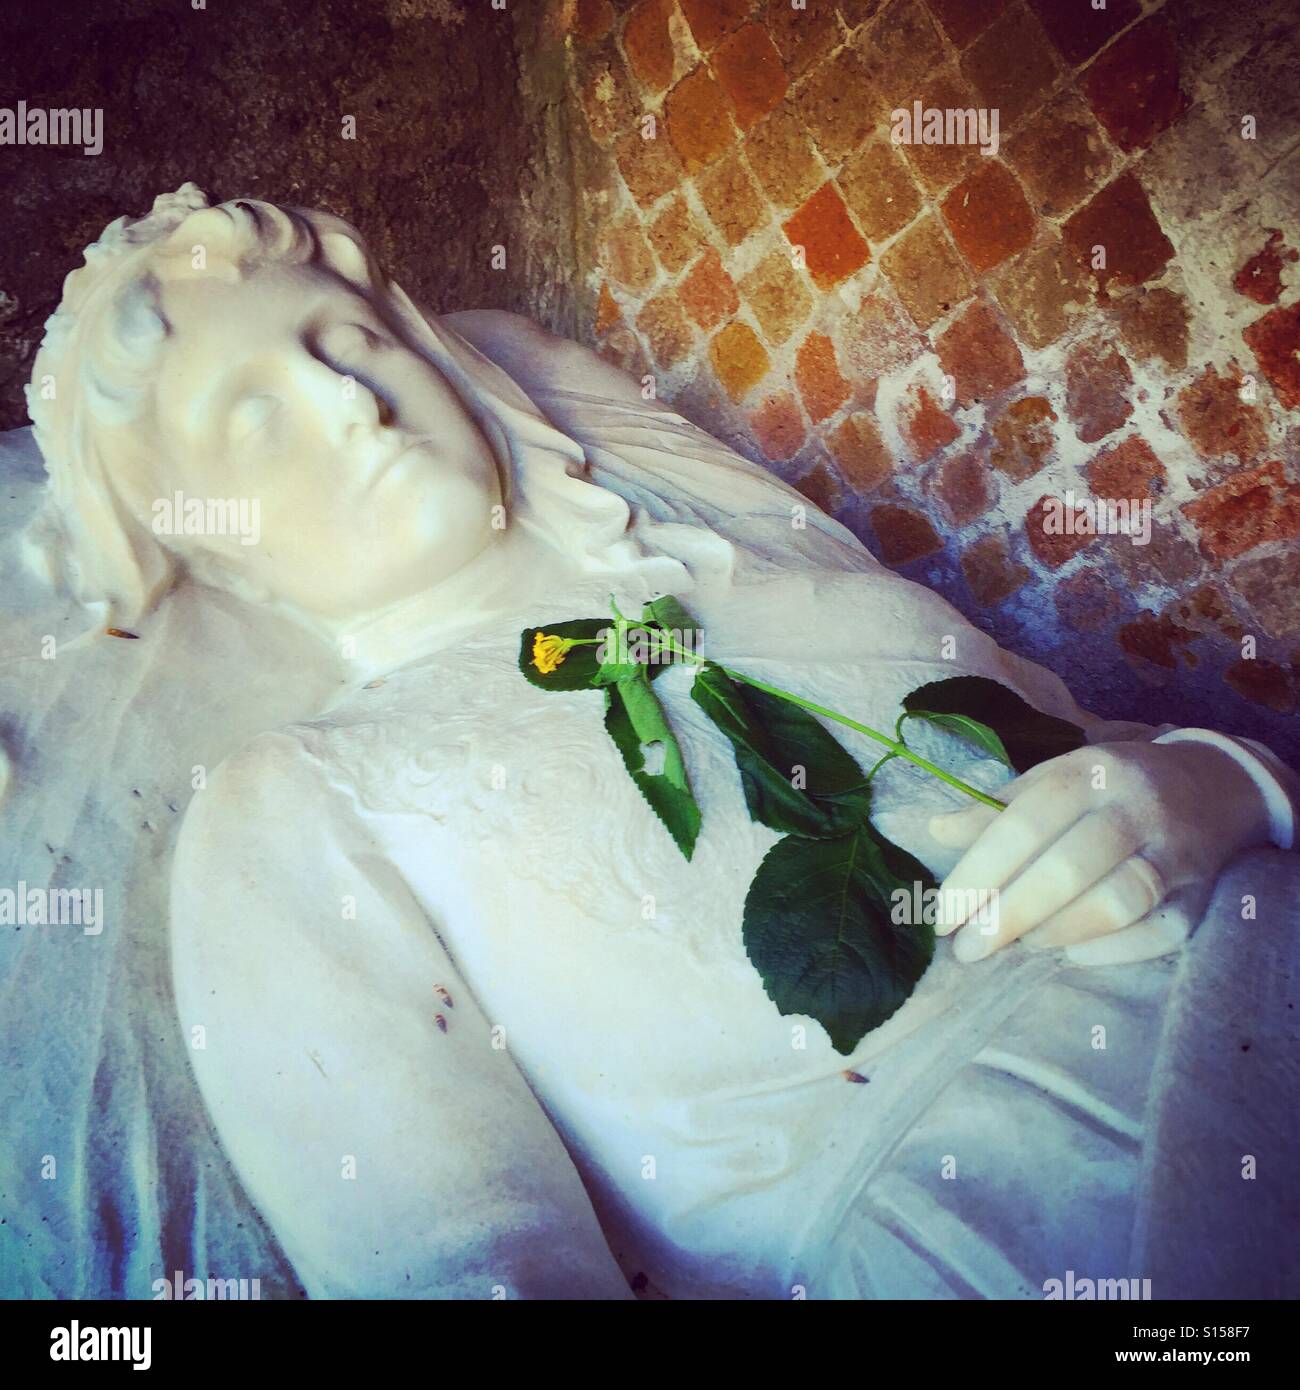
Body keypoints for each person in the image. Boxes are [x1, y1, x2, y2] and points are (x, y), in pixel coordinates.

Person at [16, 186, 1298, 1298]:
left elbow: (1092, 743)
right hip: (1045, 1218)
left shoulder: (738, 560)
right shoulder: (290, 807)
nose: (346, 401)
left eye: (352, 342)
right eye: (255, 424)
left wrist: (1213, 782)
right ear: (215, 553)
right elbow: (473, 1273)